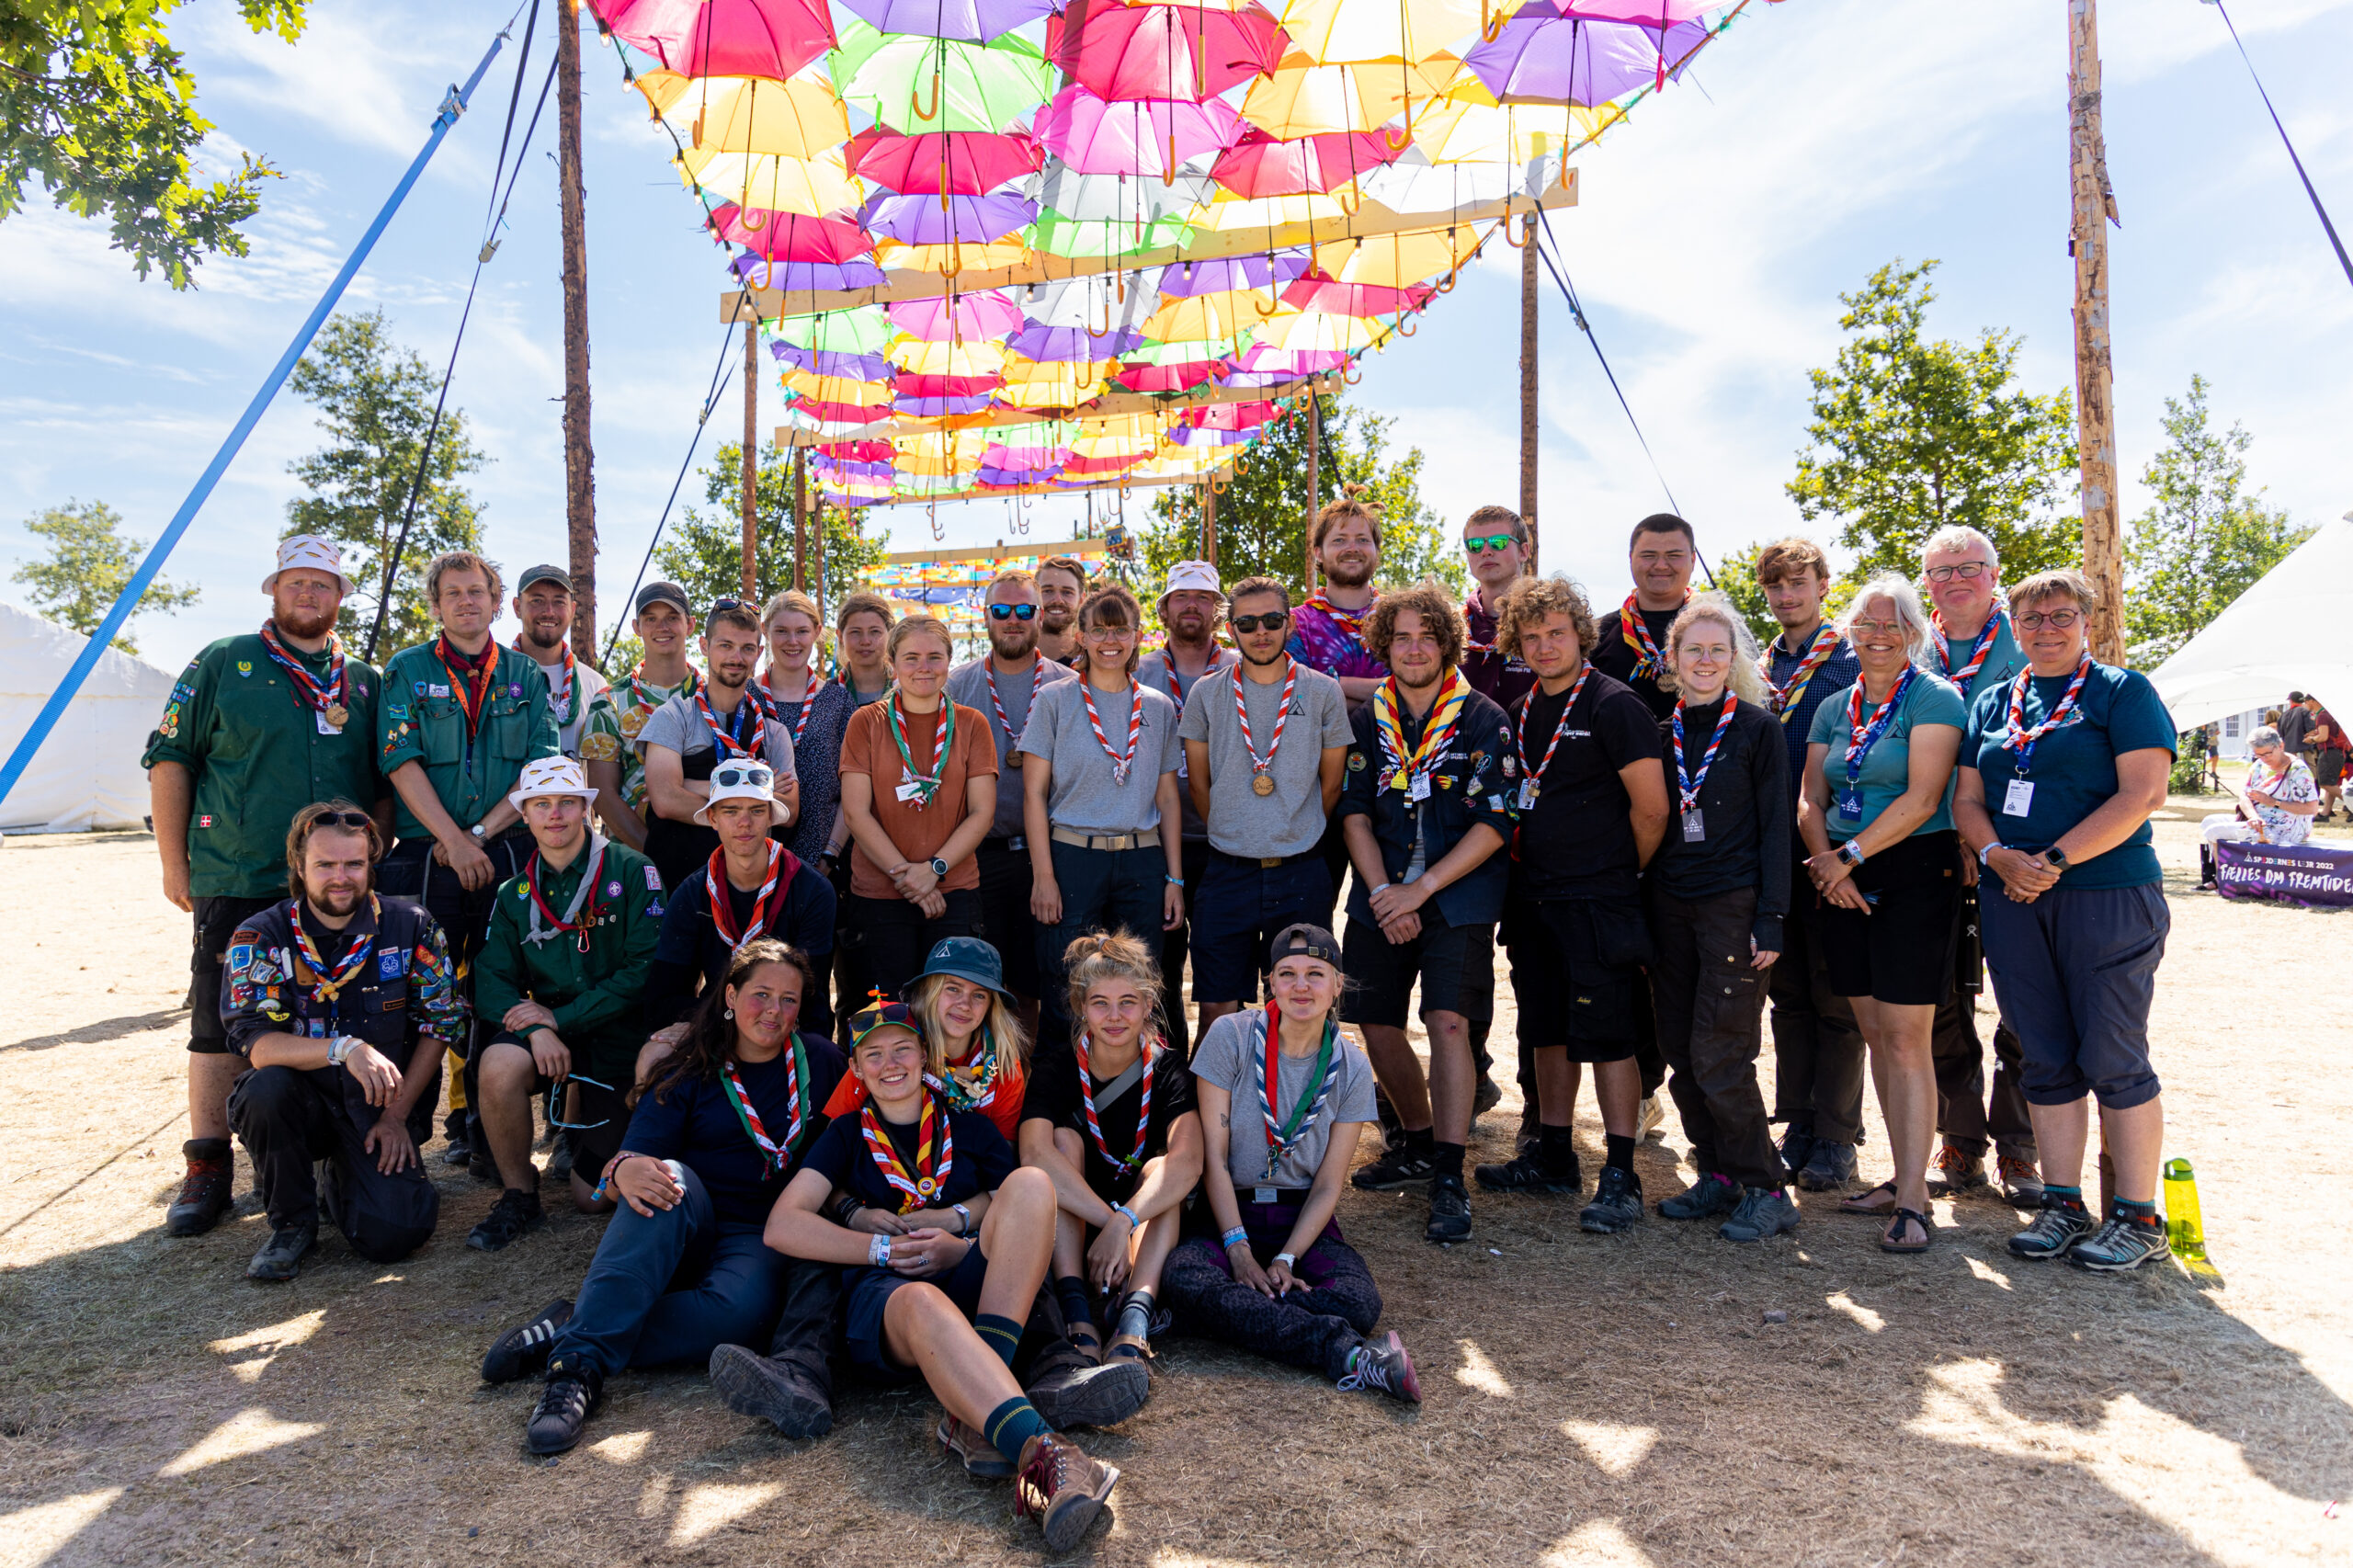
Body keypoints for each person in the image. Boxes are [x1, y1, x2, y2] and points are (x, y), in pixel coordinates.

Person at [766, 1005, 1124, 1551]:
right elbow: (782, 1225)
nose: (890, 1064)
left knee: (1030, 1185)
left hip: (969, 1281)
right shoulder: (843, 1135)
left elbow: (1018, 1206)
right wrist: (880, 1248)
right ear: (856, 1070)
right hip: (892, 1299)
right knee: (921, 1301)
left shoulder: (969, 1126)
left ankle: (975, 1412)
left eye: (902, 1049)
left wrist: (959, 1236)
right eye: (873, 1055)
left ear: (925, 1057)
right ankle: (1053, 1455)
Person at [488, 939, 848, 1453]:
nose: (774, 1011)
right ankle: (576, 1368)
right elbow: (633, 1158)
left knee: (742, 1318)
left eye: (789, 1000)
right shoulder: (690, 1064)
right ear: (729, 995)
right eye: (761, 994)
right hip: (689, 1218)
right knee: (664, 1177)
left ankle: (575, 1321)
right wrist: (627, 1169)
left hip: (762, 1233)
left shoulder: (821, 1060)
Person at [143, 534, 389, 1236]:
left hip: (335, 884)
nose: (308, 595)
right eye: (296, 583)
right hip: (241, 872)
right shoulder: (224, 662)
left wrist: (371, 852)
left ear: (341, 597)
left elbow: (385, 780)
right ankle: (209, 1166)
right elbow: (169, 760)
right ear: (272, 590)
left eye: (323, 585)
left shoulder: (364, 681)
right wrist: (174, 864)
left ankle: (321, 1151)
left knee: (340, 1010)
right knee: (221, 1025)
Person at [1952, 571, 2177, 1271]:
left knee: (2112, 1053)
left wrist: (2048, 859)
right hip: (2012, 897)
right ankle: (2062, 1204)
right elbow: (1967, 798)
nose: (2046, 629)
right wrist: (1996, 856)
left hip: (2105, 894)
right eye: (2031, 619)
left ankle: (2138, 1218)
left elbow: (2144, 793)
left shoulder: (2122, 692)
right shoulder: (1993, 701)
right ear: (2012, 627)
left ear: (2086, 621)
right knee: (2042, 1053)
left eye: (2060, 616)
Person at [1474, 576, 1670, 1233]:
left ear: (1581, 635)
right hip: (1533, 898)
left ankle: (1620, 1173)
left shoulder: (1615, 705)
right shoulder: (1523, 709)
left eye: (1556, 632)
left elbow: (1652, 808)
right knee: (1545, 1030)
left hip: (1600, 899)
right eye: (1530, 637)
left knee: (1610, 1035)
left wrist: (1618, 873)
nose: (1544, 645)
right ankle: (1553, 1153)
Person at [1161, 925, 1420, 1402]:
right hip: (1227, 1212)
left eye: (1316, 974)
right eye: (1288, 973)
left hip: (1300, 1217)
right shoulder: (1231, 1036)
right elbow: (1213, 1161)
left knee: (1360, 1301)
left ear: (1338, 984)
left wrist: (1286, 1257)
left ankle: (1213, 1316)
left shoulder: (1352, 1064)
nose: (1302, 986)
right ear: (1270, 983)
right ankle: (1342, 1351)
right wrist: (1238, 1250)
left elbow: (1327, 1185)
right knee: (1182, 1273)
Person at [219, 801, 466, 1279]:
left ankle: (344, 1177)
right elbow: (257, 1042)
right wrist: (344, 1048)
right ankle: (290, 1223)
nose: (341, 877)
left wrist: (396, 1118)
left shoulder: (411, 925)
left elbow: (441, 1026)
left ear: (371, 864)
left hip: (379, 1109)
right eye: (325, 865)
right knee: (263, 1090)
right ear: (298, 866)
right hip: (300, 1105)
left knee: (396, 1235)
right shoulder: (260, 935)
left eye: (354, 864)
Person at [1335, 584, 1511, 1245]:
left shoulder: (1482, 716)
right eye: (1401, 637)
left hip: (1455, 896)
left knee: (1447, 1022)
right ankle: (1413, 1140)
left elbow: (1497, 821)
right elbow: (1352, 812)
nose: (1414, 649)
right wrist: (1385, 892)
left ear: (1446, 644)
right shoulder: (1365, 721)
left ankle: (1448, 1171)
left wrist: (1421, 890)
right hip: (1382, 894)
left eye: (1427, 637)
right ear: (1384, 646)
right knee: (1375, 1024)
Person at [1799, 574, 1969, 1255]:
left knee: (1906, 1040)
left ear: (1914, 634)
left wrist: (1849, 857)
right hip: (1840, 872)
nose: (1876, 636)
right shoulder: (1834, 704)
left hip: (1913, 873)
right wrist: (1826, 863)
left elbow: (1926, 798)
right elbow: (1810, 795)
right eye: (1865, 625)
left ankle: (1915, 1199)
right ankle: (1898, 1178)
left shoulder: (1935, 697)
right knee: (1874, 1034)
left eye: (1891, 626)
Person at [376, 550, 560, 1165]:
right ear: (436, 603)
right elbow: (400, 761)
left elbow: (539, 769)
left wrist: (479, 833)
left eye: (476, 591)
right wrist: (454, 841)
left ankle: (484, 1130)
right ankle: (406, 1132)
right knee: (414, 993)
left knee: (497, 987)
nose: (465, 601)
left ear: (495, 599)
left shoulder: (524, 675)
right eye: (451, 593)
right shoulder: (404, 670)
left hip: (506, 849)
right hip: (428, 857)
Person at [1643, 597, 1798, 1242]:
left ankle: (1767, 1186)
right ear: (1672, 661)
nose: (1705, 661)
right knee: (1680, 1048)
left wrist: (1772, 916)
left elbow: (1775, 832)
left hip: (1734, 907)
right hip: (1670, 906)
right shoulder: (1660, 733)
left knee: (1721, 1051)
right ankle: (1718, 1173)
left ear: (1732, 659)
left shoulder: (1760, 729)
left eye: (1716, 650)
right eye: (1692, 650)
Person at [467, 757, 665, 1251]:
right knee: (497, 1062)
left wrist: (560, 1018)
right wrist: (539, 1030)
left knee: (592, 1199)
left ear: (585, 809)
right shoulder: (513, 894)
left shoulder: (634, 870)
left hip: (621, 1041)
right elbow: (489, 979)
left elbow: (643, 972)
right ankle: (519, 1194)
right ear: (526, 815)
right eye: (541, 804)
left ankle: (577, 1124)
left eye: (566, 803)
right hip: (553, 1042)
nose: (554, 815)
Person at [1918, 525, 2038, 1206]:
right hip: (1927, 846)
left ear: (1995, 574)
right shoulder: (1910, 643)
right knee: (1939, 1004)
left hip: (2010, 850)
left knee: (2023, 1003)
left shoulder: (2032, 639)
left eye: (1970, 567)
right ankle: (1959, 1136)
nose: (1956, 579)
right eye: (1941, 570)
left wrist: (1982, 840)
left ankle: (2018, 1146)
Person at [1178, 576, 1356, 1035]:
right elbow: (1200, 787)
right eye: (1248, 622)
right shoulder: (1206, 694)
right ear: (1231, 629)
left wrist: (1290, 825)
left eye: (1272, 620)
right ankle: (1226, 1108)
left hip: (1301, 871)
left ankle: (1295, 1107)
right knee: (1219, 1014)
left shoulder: (1321, 692)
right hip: (1225, 871)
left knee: (1302, 1012)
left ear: (1290, 623)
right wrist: (1236, 824)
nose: (1261, 631)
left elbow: (1330, 787)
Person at [1020, 933, 1202, 1364]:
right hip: (1081, 1224)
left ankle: (1135, 1319)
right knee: (1061, 1144)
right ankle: (1077, 1312)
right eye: (1100, 1003)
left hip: (1144, 1228)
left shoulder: (1169, 1068)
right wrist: (1109, 1224)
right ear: (1082, 1008)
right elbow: (1033, 1154)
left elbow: (1189, 1161)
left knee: (1162, 1167)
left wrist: (1125, 1222)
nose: (1115, 1016)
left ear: (1148, 1006)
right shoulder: (1057, 1066)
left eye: (1128, 1002)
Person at [1020, 582, 1185, 1051]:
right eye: (1099, 630)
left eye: (1121, 630)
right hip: (1073, 858)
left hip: (1142, 864)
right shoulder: (1054, 700)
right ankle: (1064, 1104)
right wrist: (1043, 876)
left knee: (1143, 984)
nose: (1110, 641)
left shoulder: (1158, 706)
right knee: (1066, 984)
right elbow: (1034, 793)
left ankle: (1147, 1099)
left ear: (1137, 635)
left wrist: (1175, 879)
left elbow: (1168, 799)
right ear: (1082, 636)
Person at [1754, 538, 1865, 1191]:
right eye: (1776, 587)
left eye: (1799, 583)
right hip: (1773, 849)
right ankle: (1795, 1123)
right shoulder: (1761, 663)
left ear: (1825, 584)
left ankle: (1836, 1134)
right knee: (1788, 997)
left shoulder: (1850, 658)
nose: (1787, 596)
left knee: (1837, 1000)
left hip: (1832, 841)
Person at [1586, 513, 1698, 1139]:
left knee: (1677, 964)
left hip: (1697, 826)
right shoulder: (1603, 636)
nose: (1661, 565)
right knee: (1625, 960)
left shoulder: (1713, 631)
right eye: (1649, 554)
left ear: (1691, 560)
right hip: (1620, 827)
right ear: (1630, 559)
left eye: (1673, 555)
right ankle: (1642, 1087)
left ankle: (1675, 1089)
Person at [946, 569, 1080, 1028]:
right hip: (981, 856)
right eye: (1001, 611)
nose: (1013, 620)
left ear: (1040, 617)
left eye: (1024, 610)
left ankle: (1031, 1090)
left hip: (1053, 855)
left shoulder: (1071, 685)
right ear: (985, 617)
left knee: (1039, 986)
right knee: (980, 983)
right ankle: (990, 1089)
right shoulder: (956, 686)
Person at [838, 615, 998, 998]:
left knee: (947, 1012)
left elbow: (982, 813)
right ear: (892, 663)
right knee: (888, 1012)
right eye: (911, 658)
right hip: (878, 893)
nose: (923, 668)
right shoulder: (866, 723)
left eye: (934, 657)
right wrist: (909, 877)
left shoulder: (972, 724)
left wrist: (935, 871)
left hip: (954, 892)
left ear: (949, 660)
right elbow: (856, 813)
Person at [645, 759, 836, 1040]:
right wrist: (718, 1026)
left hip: (788, 1028)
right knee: (654, 1054)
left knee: (825, 1053)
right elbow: (665, 996)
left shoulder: (813, 890)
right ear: (712, 819)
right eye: (730, 811)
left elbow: (808, 994)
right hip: (712, 1025)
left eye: (756, 811)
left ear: (771, 816)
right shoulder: (691, 893)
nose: (744, 823)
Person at [1137, 561, 1236, 1056]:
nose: (1191, 605)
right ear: (1165, 608)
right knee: (1161, 965)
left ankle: (1215, 1071)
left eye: (1202, 597)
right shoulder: (1139, 669)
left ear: (1218, 610)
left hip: (1225, 839)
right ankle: (1170, 1075)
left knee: (1221, 968)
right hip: (1158, 841)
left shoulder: (1242, 665)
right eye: (1181, 597)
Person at [640, 598, 801, 893]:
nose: (736, 657)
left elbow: (788, 810)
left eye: (747, 648)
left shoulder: (773, 732)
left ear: (759, 653)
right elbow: (664, 800)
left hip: (752, 888)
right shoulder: (674, 717)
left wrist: (692, 784)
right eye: (725, 645)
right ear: (704, 646)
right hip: (679, 882)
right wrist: (756, 800)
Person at [1288, 487, 1391, 926]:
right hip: (1316, 791)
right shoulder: (1295, 622)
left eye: (1362, 538)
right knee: (1310, 919)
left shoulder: (1402, 620)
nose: (1352, 548)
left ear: (1377, 552)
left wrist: (1330, 683)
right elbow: (1297, 693)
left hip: (1392, 786)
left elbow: (1421, 688)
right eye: (1340, 539)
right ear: (1318, 553)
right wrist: (1383, 687)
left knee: (1386, 916)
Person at [580, 582, 702, 855]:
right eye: (651, 619)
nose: (663, 627)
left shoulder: (711, 695)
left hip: (710, 851)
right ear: (637, 627)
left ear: (690, 624)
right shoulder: (609, 702)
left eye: (672, 618)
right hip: (635, 860)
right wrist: (657, 852)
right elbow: (603, 794)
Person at [758, 588, 856, 869]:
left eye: (801, 631)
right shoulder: (746, 696)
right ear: (765, 631)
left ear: (817, 631)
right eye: (781, 631)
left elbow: (853, 788)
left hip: (822, 860)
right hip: (755, 857)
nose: (792, 641)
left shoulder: (837, 700)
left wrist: (829, 855)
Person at [2197, 724, 2320, 885]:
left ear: (2281, 746)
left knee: (2215, 831)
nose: (2264, 758)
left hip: (2286, 828)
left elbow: (2312, 809)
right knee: (2208, 821)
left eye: (2268, 753)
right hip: (2261, 821)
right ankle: (2227, 872)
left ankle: (2223, 880)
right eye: (2258, 754)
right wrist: (2253, 817)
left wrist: (2273, 802)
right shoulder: (2259, 765)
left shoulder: (2298, 771)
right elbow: (2244, 796)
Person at [510, 564, 608, 757]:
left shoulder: (595, 686)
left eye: (559, 602)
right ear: (517, 607)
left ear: (572, 610)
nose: (549, 611)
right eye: (536, 600)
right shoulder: (495, 676)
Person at [1458, 505, 1537, 709]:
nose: (1485, 552)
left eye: (1498, 543)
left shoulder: (1550, 621)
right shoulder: (1452, 627)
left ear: (1524, 551)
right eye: (1475, 545)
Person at [835, 591, 897, 707]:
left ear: (890, 635)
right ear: (840, 636)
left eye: (875, 631)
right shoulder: (826, 696)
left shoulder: (907, 692)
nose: (865, 641)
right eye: (855, 632)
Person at [1034, 555, 1089, 667]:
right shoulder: (1014, 661)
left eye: (1067, 592)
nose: (1057, 600)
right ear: (1033, 595)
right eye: (1048, 591)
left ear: (1081, 599)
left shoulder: (1094, 665)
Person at [2303, 697, 2344, 822]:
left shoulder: (2321, 715)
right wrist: (2316, 733)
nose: (2305, 704)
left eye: (2306, 701)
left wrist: (2312, 739)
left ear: (2312, 701)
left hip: (2328, 752)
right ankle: (2325, 813)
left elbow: (2324, 736)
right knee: (2332, 783)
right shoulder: (2329, 713)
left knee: (2326, 784)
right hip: (2337, 752)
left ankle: (2350, 800)